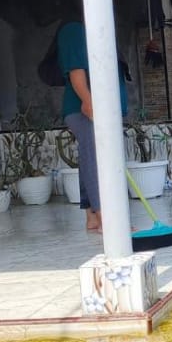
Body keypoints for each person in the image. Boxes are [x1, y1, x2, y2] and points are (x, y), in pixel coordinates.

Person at [58, 12, 128, 233]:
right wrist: (88, 102)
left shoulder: (94, 32)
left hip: (98, 109)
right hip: (85, 110)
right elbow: (76, 71)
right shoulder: (73, 29)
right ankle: (106, 220)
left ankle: (93, 218)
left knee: (90, 158)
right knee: (96, 160)